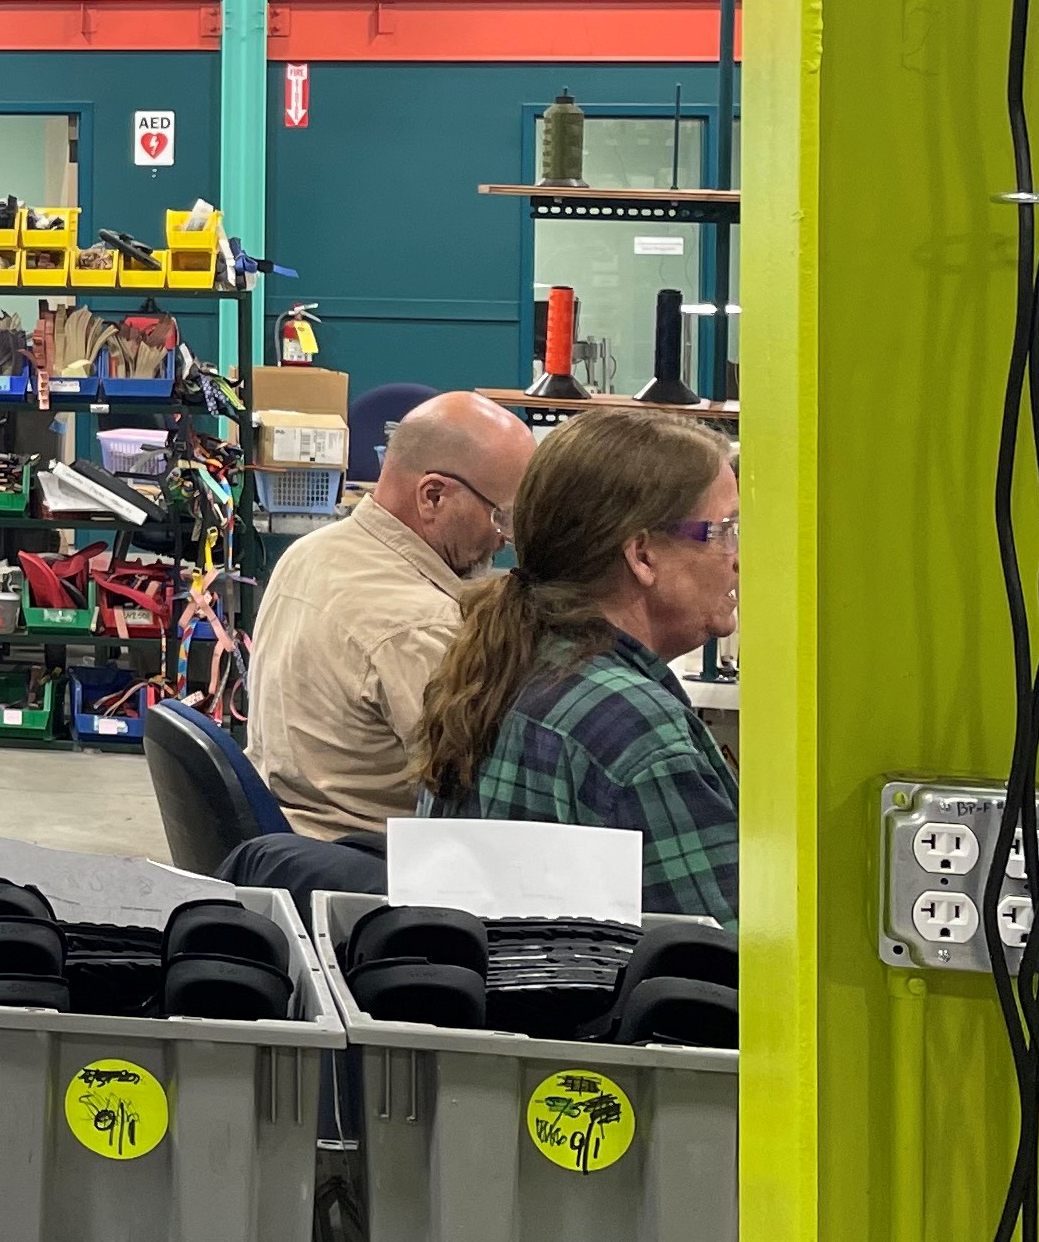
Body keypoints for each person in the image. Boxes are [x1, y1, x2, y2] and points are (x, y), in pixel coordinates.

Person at [411, 407, 740, 923]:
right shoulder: (637, 731)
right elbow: (733, 966)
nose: (738, 556)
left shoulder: (505, 664)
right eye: (723, 530)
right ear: (642, 555)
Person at [240, 390, 538, 840]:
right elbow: (487, 799)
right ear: (433, 496)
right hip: (375, 871)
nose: (505, 539)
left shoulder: (310, 552)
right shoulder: (419, 627)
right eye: (501, 516)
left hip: (292, 842)